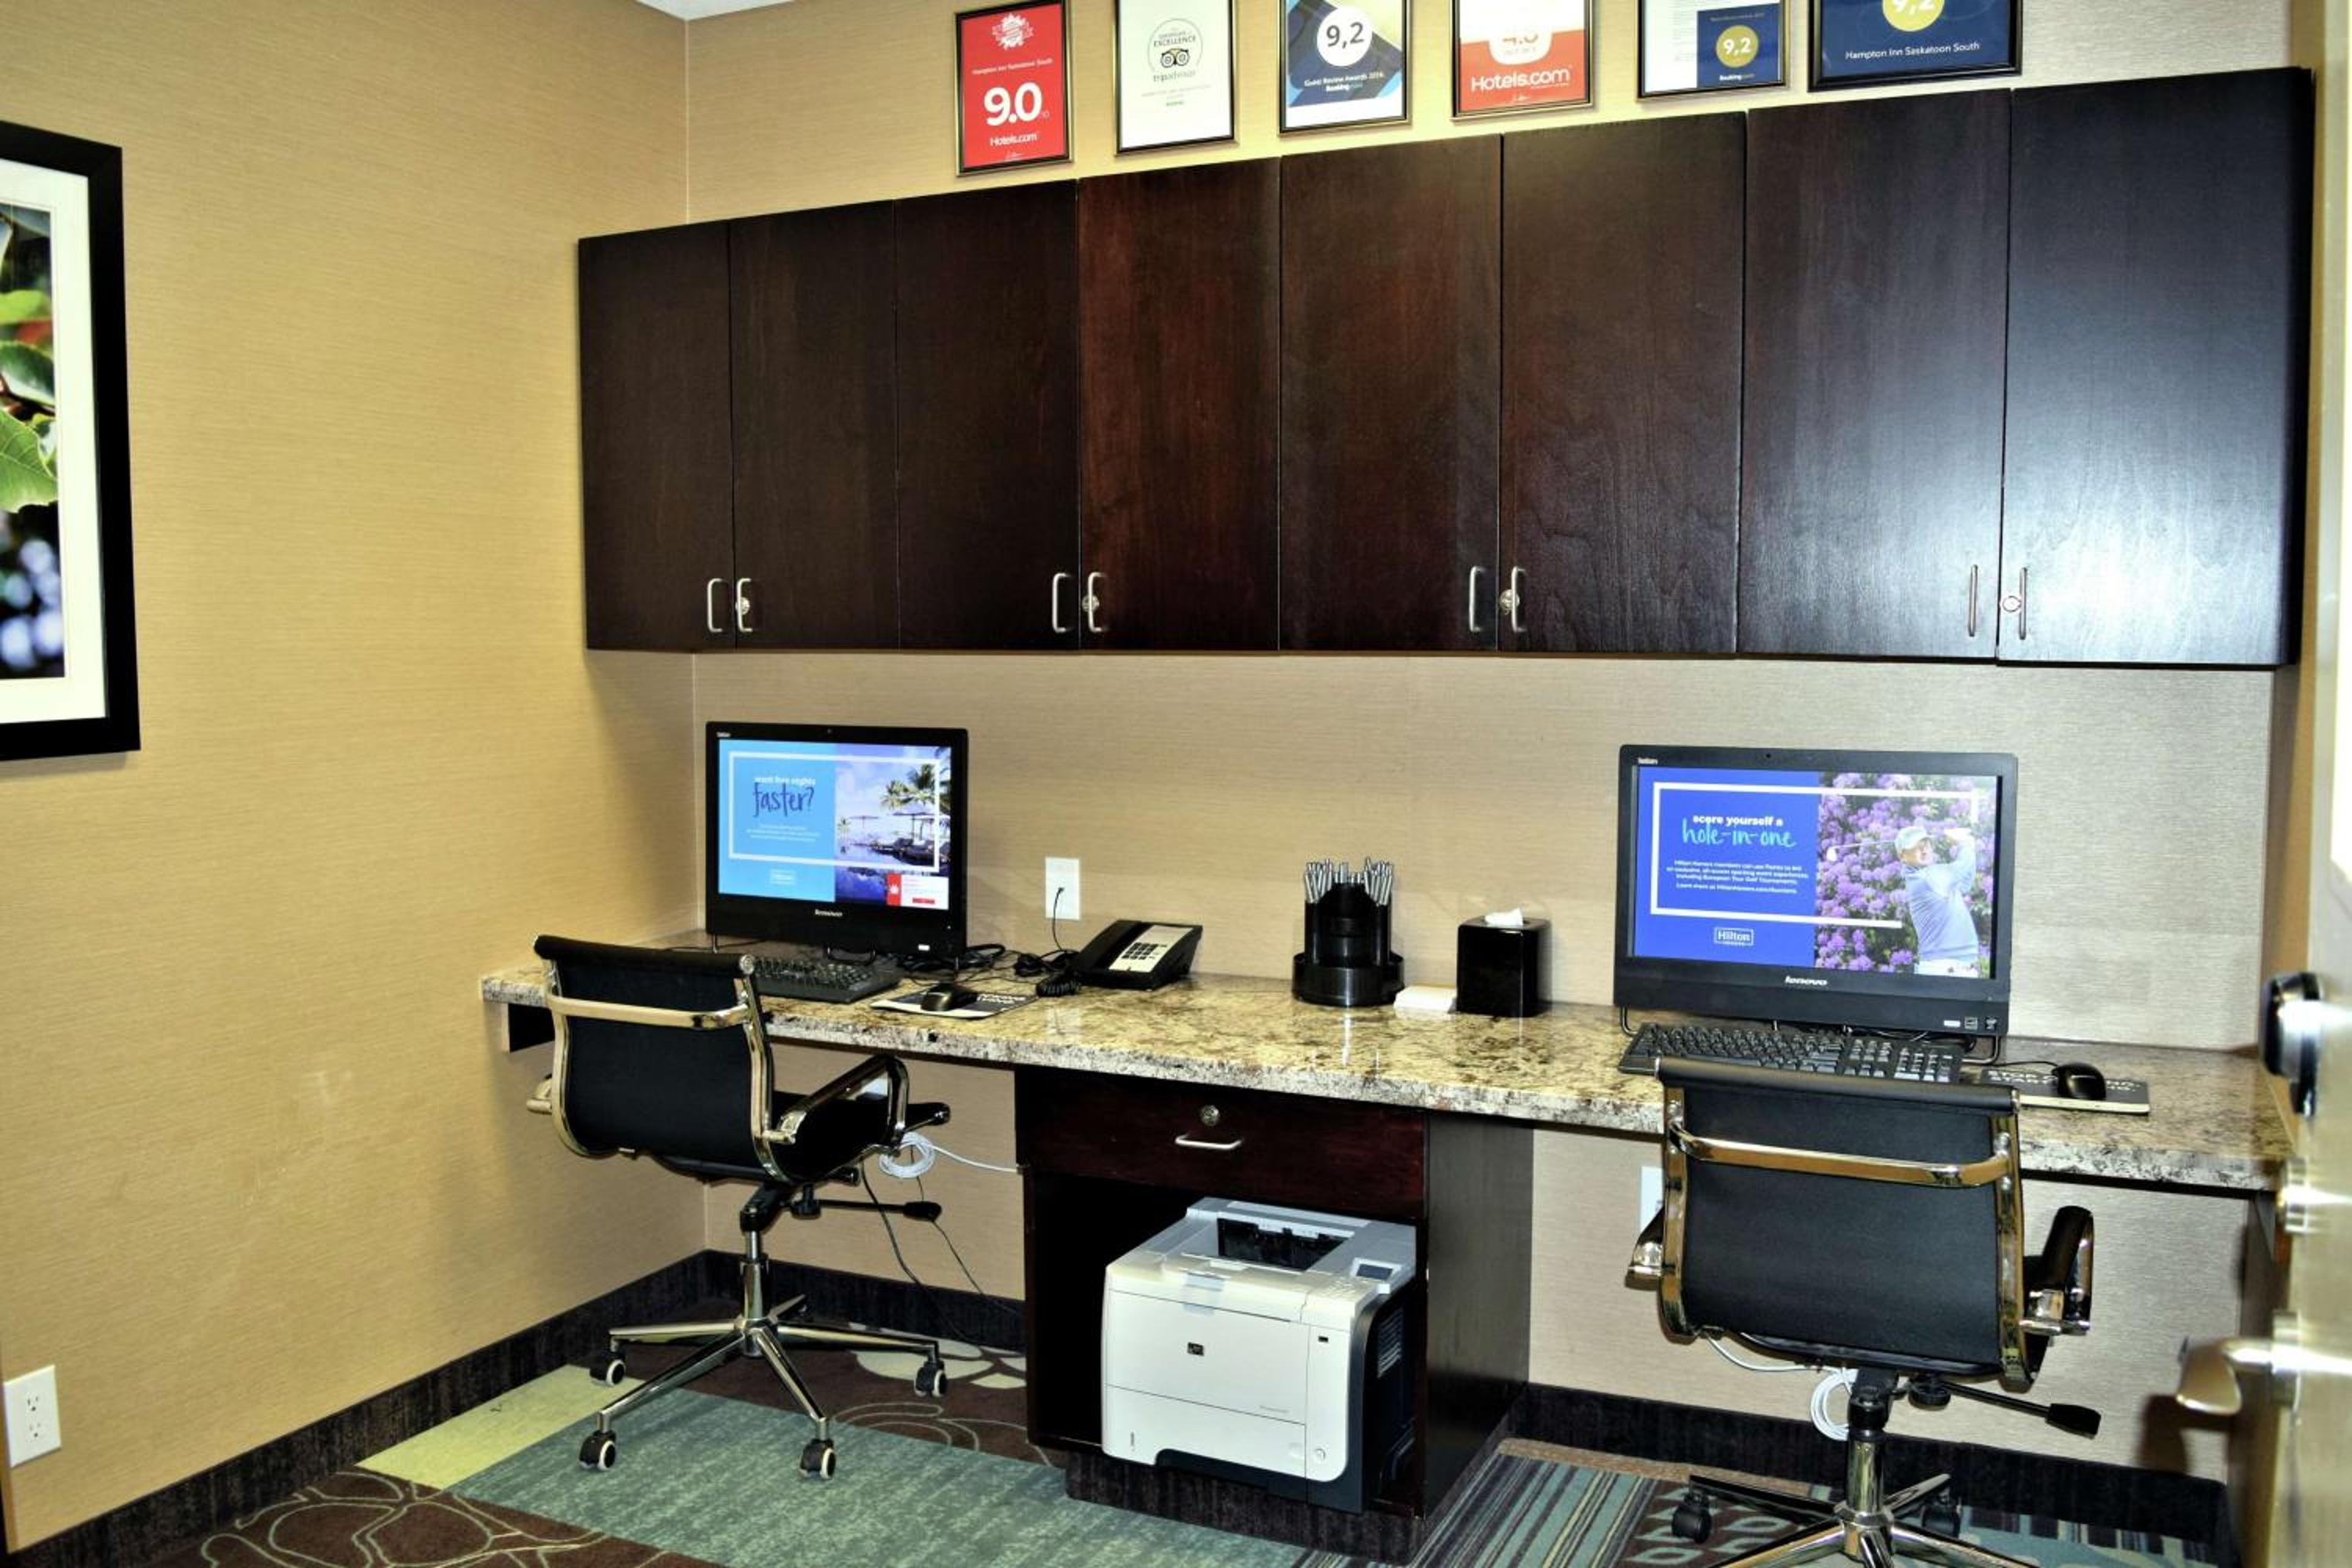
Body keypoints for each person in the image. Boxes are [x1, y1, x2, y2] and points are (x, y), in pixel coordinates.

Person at [1895, 823, 1980, 976]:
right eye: (1916, 847)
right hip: (1944, 968)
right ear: (1903, 856)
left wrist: (1967, 847)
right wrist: (1965, 843)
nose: (1924, 850)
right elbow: (1961, 868)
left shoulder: (1933, 877)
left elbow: (1965, 883)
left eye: (1926, 844)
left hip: (1954, 966)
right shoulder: (1925, 878)